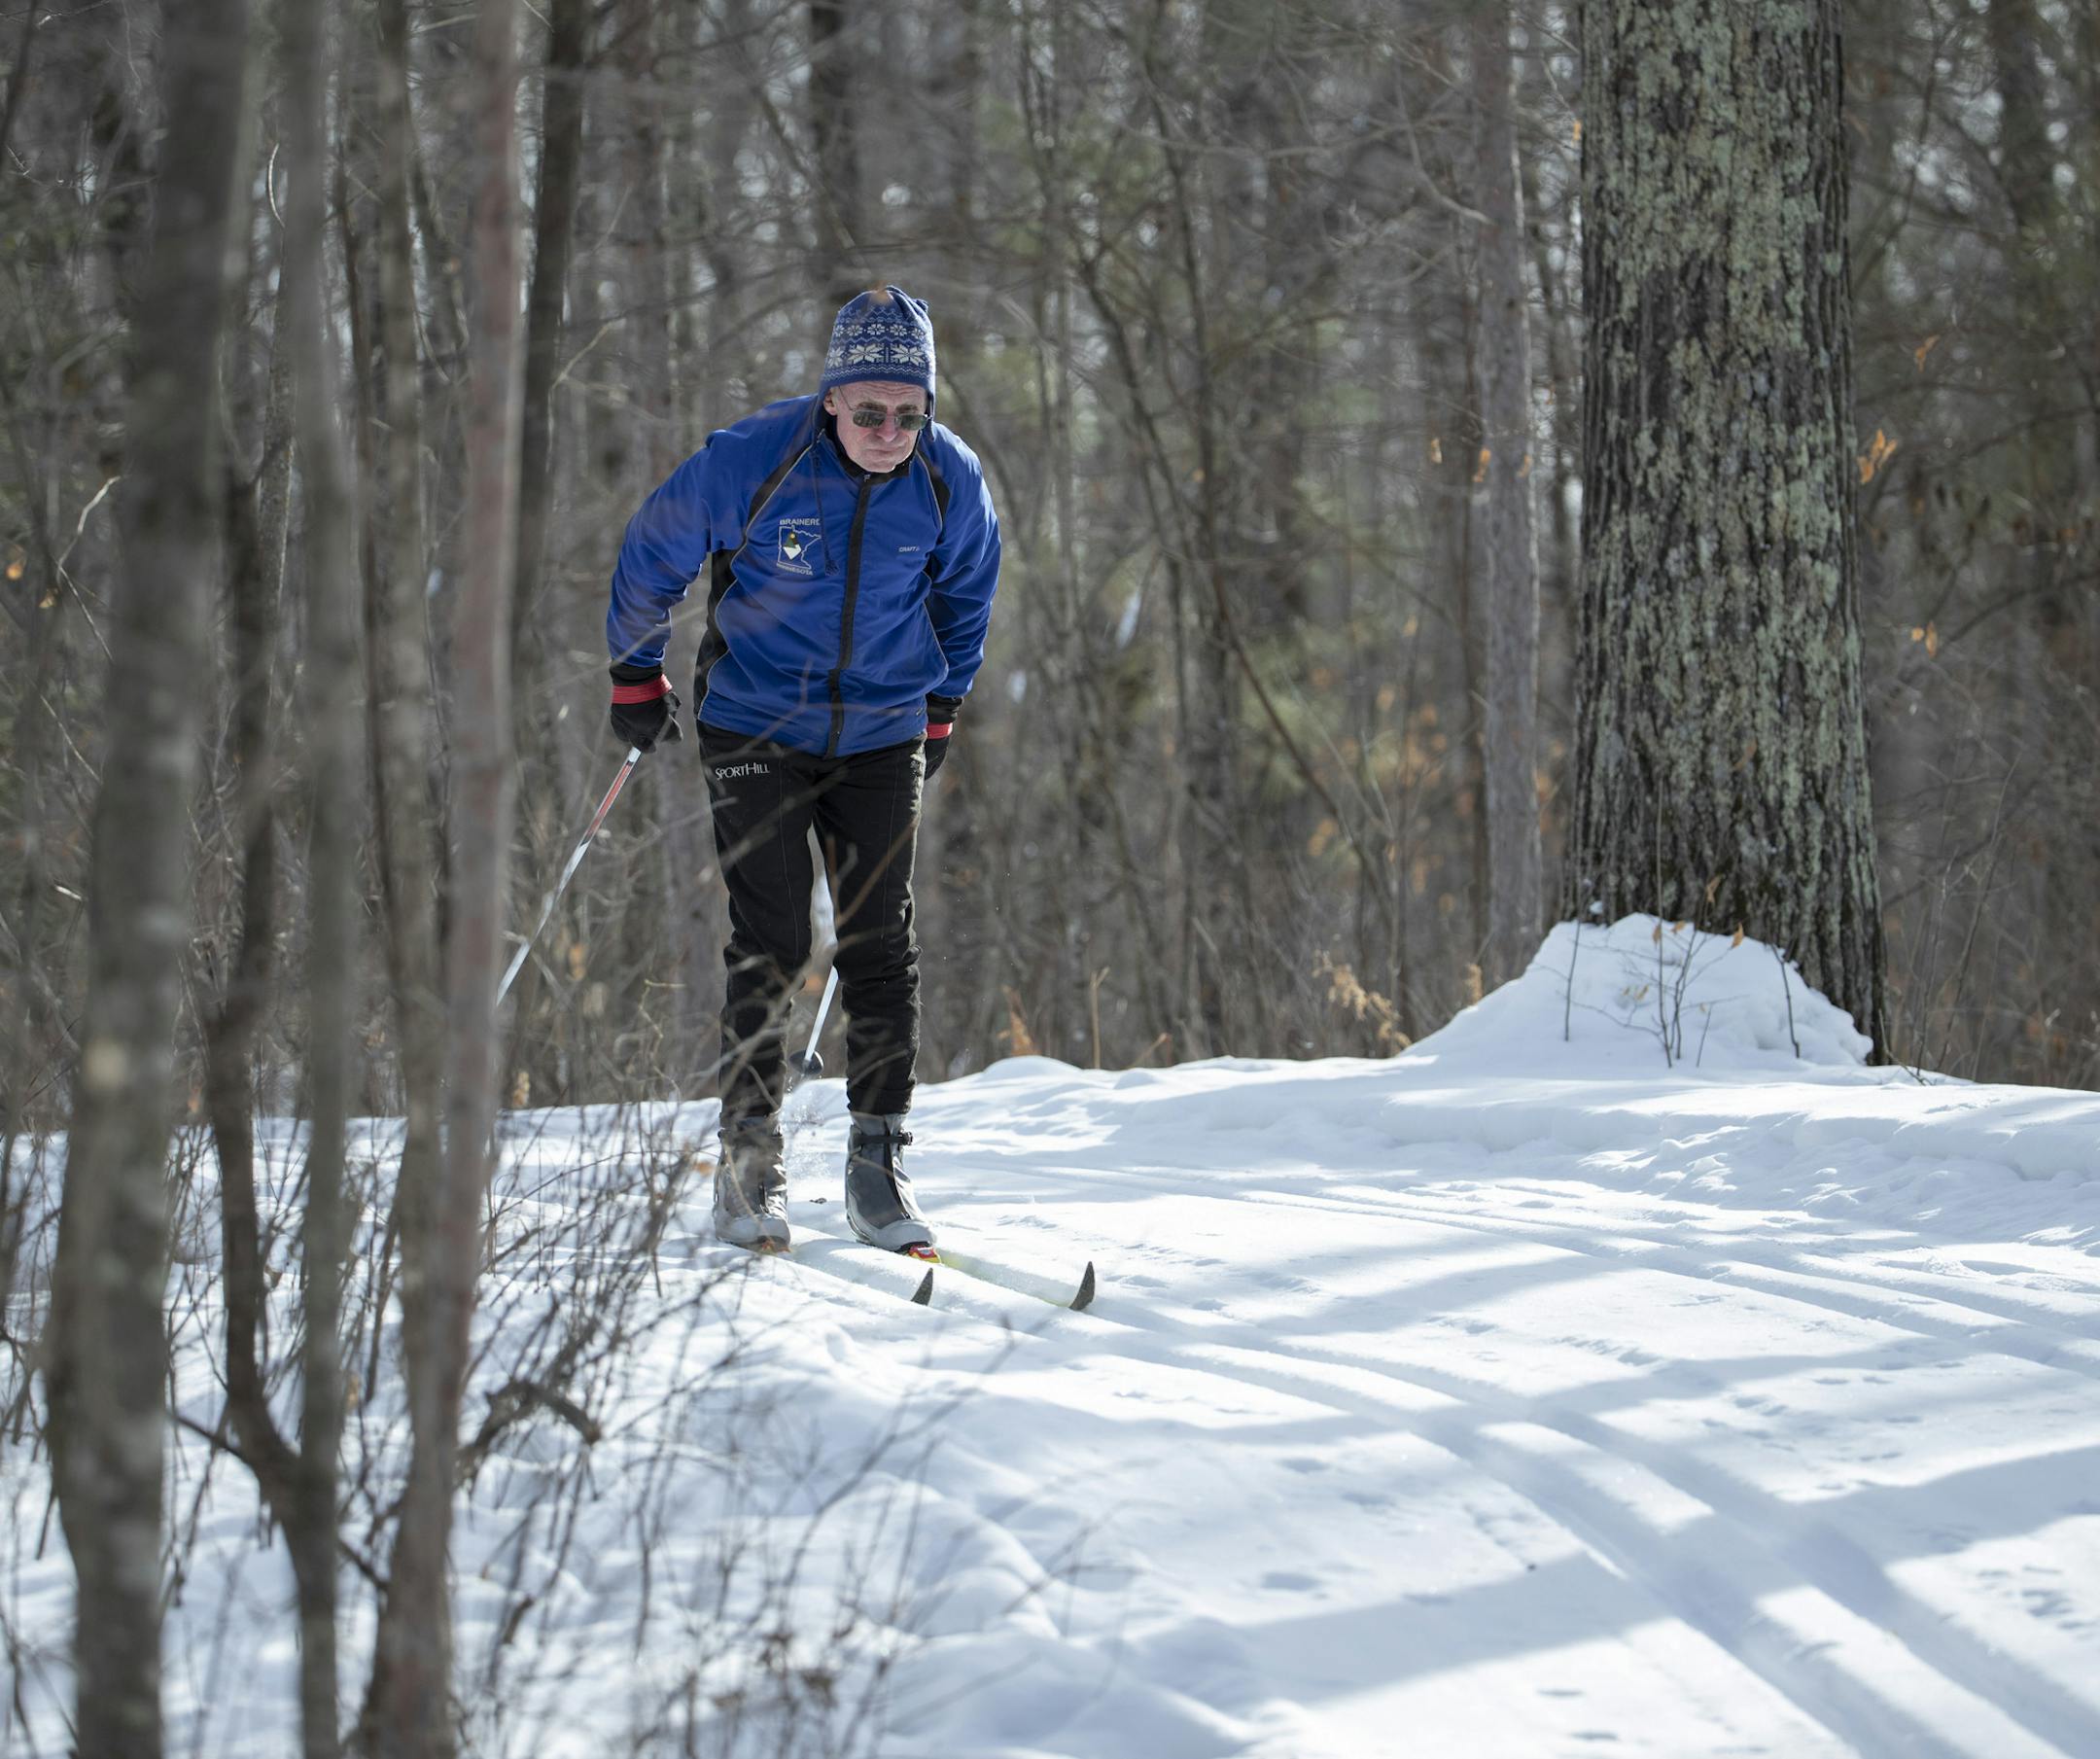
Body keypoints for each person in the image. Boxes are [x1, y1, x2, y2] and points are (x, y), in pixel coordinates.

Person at [604, 286, 1000, 1254]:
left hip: (881, 730)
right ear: (831, 398)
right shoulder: (751, 459)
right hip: (756, 726)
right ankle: (750, 1160)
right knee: (773, 938)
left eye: (909, 413)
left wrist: (941, 705)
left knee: (879, 941)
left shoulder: (948, 479)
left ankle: (878, 1161)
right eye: (870, 411)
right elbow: (653, 553)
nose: (890, 432)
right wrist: (635, 673)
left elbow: (967, 594)